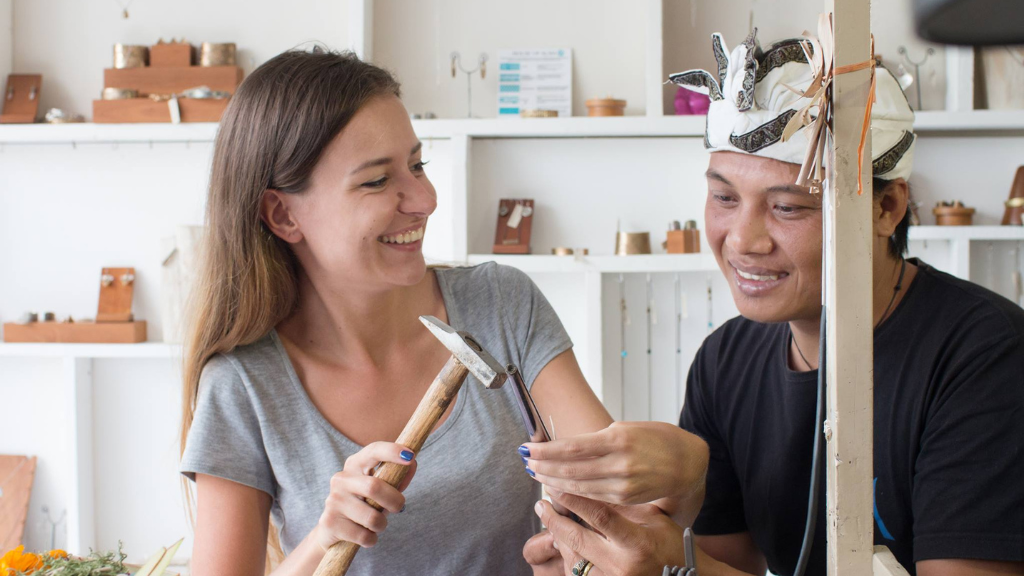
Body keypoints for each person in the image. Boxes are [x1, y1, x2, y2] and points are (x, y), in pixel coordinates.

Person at [524, 30, 1024, 576]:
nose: (742, 241)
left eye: (787, 207)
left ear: (886, 207)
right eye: (724, 198)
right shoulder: (725, 361)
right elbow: (728, 560)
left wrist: (678, 571)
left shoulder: (986, 357)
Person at [177, 48, 625, 576]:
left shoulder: (501, 305)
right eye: (375, 180)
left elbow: (614, 500)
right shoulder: (244, 384)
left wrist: (585, 556)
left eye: (417, 165)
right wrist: (326, 538)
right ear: (282, 213)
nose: (424, 198)